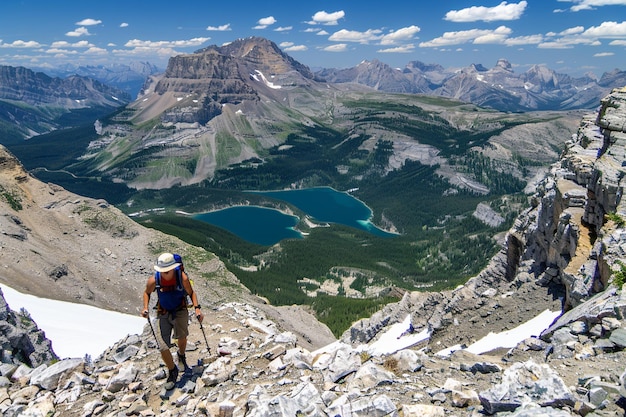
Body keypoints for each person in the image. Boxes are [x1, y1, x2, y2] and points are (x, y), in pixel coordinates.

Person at [141, 252, 204, 389]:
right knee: (162, 345)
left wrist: (197, 309)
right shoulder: (154, 280)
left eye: (166, 271)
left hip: (180, 309)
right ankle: (172, 370)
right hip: (162, 312)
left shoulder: (182, 278)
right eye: (162, 271)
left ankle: (181, 355)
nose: (164, 273)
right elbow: (147, 293)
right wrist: (145, 308)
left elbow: (192, 293)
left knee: (181, 337)